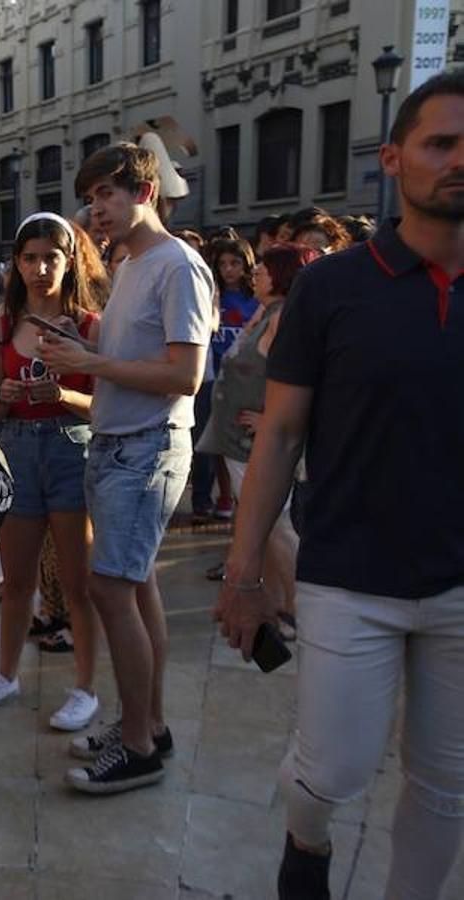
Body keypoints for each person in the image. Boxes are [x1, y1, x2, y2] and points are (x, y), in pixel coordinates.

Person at [215, 70, 464, 900]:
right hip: (349, 573)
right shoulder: (333, 286)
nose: (460, 160)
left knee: (445, 786)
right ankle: (306, 839)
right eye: (441, 143)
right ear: (394, 158)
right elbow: (281, 434)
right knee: (329, 775)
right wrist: (245, 579)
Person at [40, 142, 213, 793]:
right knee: (136, 588)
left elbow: (186, 374)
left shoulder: (177, 266)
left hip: (145, 450)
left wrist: (97, 364)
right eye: (90, 198)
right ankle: (149, 724)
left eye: (106, 194)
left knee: (111, 590)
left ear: (144, 191)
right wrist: (83, 350)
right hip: (116, 443)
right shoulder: (133, 263)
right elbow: (133, 354)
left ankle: (137, 746)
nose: (96, 209)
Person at [0, 213, 108, 735]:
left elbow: (107, 406)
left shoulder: (91, 327)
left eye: (51, 257)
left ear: (70, 262)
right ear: (16, 264)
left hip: (73, 453)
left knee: (77, 581)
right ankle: (5, 675)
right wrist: (3, 397)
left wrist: (63, 394)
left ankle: (86, 687)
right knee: (18, 578)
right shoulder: (1, 329)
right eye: (30, 258)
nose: (40, 268)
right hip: (18, 452)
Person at [199, 242, 319, 630]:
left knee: (278, 524)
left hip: (257, 445)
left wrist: (270, 419)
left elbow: (301, 379)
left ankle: (302, 607)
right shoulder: (266, 312)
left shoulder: (284, 317)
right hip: (238, 441)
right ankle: (279, 600)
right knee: (264, 527)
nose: (256, 274)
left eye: (263, 270)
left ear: (282, 276)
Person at [193, 237, 257, 524]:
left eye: (235, 263)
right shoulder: (212, 295)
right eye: (222, 264)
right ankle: (225, 494)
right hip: (215, 379)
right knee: (218, 442)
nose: (229, 269)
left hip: (246, 382)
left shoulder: (255, 299)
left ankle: (248, 497)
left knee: (245, 441)